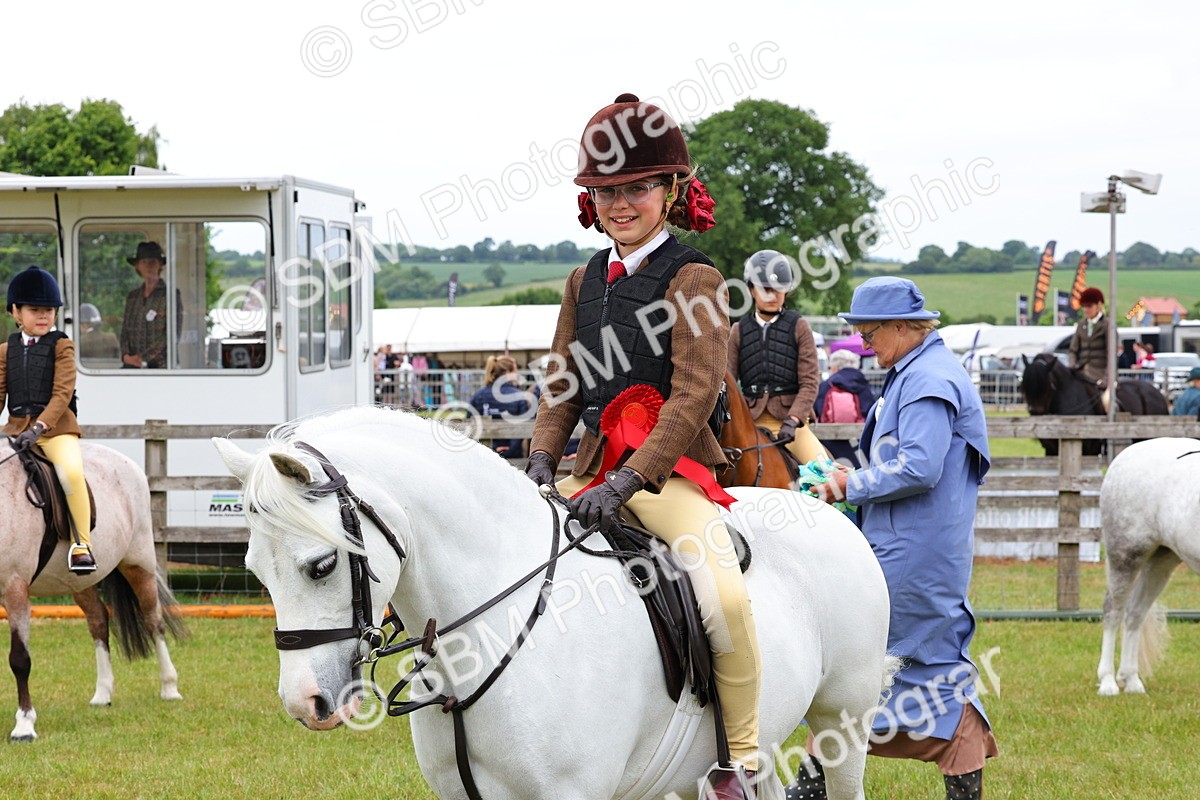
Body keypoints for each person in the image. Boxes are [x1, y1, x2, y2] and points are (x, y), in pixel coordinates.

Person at [525, 93, 759, 799]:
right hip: (589, 475)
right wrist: (540, 456)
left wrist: (629, 484)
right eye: (605, 192)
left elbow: (692, 396)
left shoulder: (696, 278)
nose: (619, 204)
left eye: (635, 189)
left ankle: (740, 760)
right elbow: (564, 382)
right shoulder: (583, 280)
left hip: (669, 476)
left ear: (671, 191)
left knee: (725, 601)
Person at [806, 277, 997, 800]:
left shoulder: (927, 378)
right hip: (904, 548)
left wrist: (851, 483)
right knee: (865, 668)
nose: (863, 341)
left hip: (915, 557)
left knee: (870, 667)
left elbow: (920, 466)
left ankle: (812, 783)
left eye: (869, 331)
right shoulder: (910, 374)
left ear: (902, 326)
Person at [2, 266, 97, 573]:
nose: (43, 316)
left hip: (55, 432)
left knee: (70, 472)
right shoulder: (6, 351)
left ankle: (82, 545)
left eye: (48, 310)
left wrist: (40, 427)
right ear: (16, 312)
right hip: (16, 429)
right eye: (34, 310)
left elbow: (62, 393)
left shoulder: (62, 346)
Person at [726, 250, 826, 467]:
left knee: (825, 472)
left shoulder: (799, 326)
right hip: (750, 422)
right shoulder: (738, 330)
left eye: (778, 290)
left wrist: (794, 420)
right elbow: (729, 382)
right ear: (751, 290)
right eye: (765, 289)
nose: (772, 295)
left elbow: (810, 383)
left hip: (792, 423)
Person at [120, 241, 181, 369]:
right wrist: (126, 356)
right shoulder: (133, 296)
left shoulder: (170, 294)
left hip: (162, 367)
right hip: (132, 366)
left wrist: (143, 359)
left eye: (152, 262)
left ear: (160, 265)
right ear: (137, 266)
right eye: (144, 262)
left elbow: (172, 334)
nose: (148, 267)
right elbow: (125, 330)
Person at [813, 348, 876, 468]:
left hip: (830, 447)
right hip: (858, 446)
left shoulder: (826, 386)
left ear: (836, 367)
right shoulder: (863, 385)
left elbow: (817, 410)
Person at [470, 355, 533, 459]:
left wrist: (492, 448)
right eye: (515, 371)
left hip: (484, 455)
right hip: (514, 458)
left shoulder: (478, 396)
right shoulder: (520, 397)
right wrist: (510, 449)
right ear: (508, 372)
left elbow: (470, 424)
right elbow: (526, 426)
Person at [1067, 286, 1109, 385]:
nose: (1086, 310)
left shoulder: (1107, 325)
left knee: (1106, 399)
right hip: (1082, 373)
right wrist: (1073, 366)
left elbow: (1111, 354)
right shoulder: (1081, 324)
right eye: (1084, 307)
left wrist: (1107, 378)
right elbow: (1073, 350)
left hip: (1101, 374)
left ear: (1098, 305)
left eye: (1089, 306)